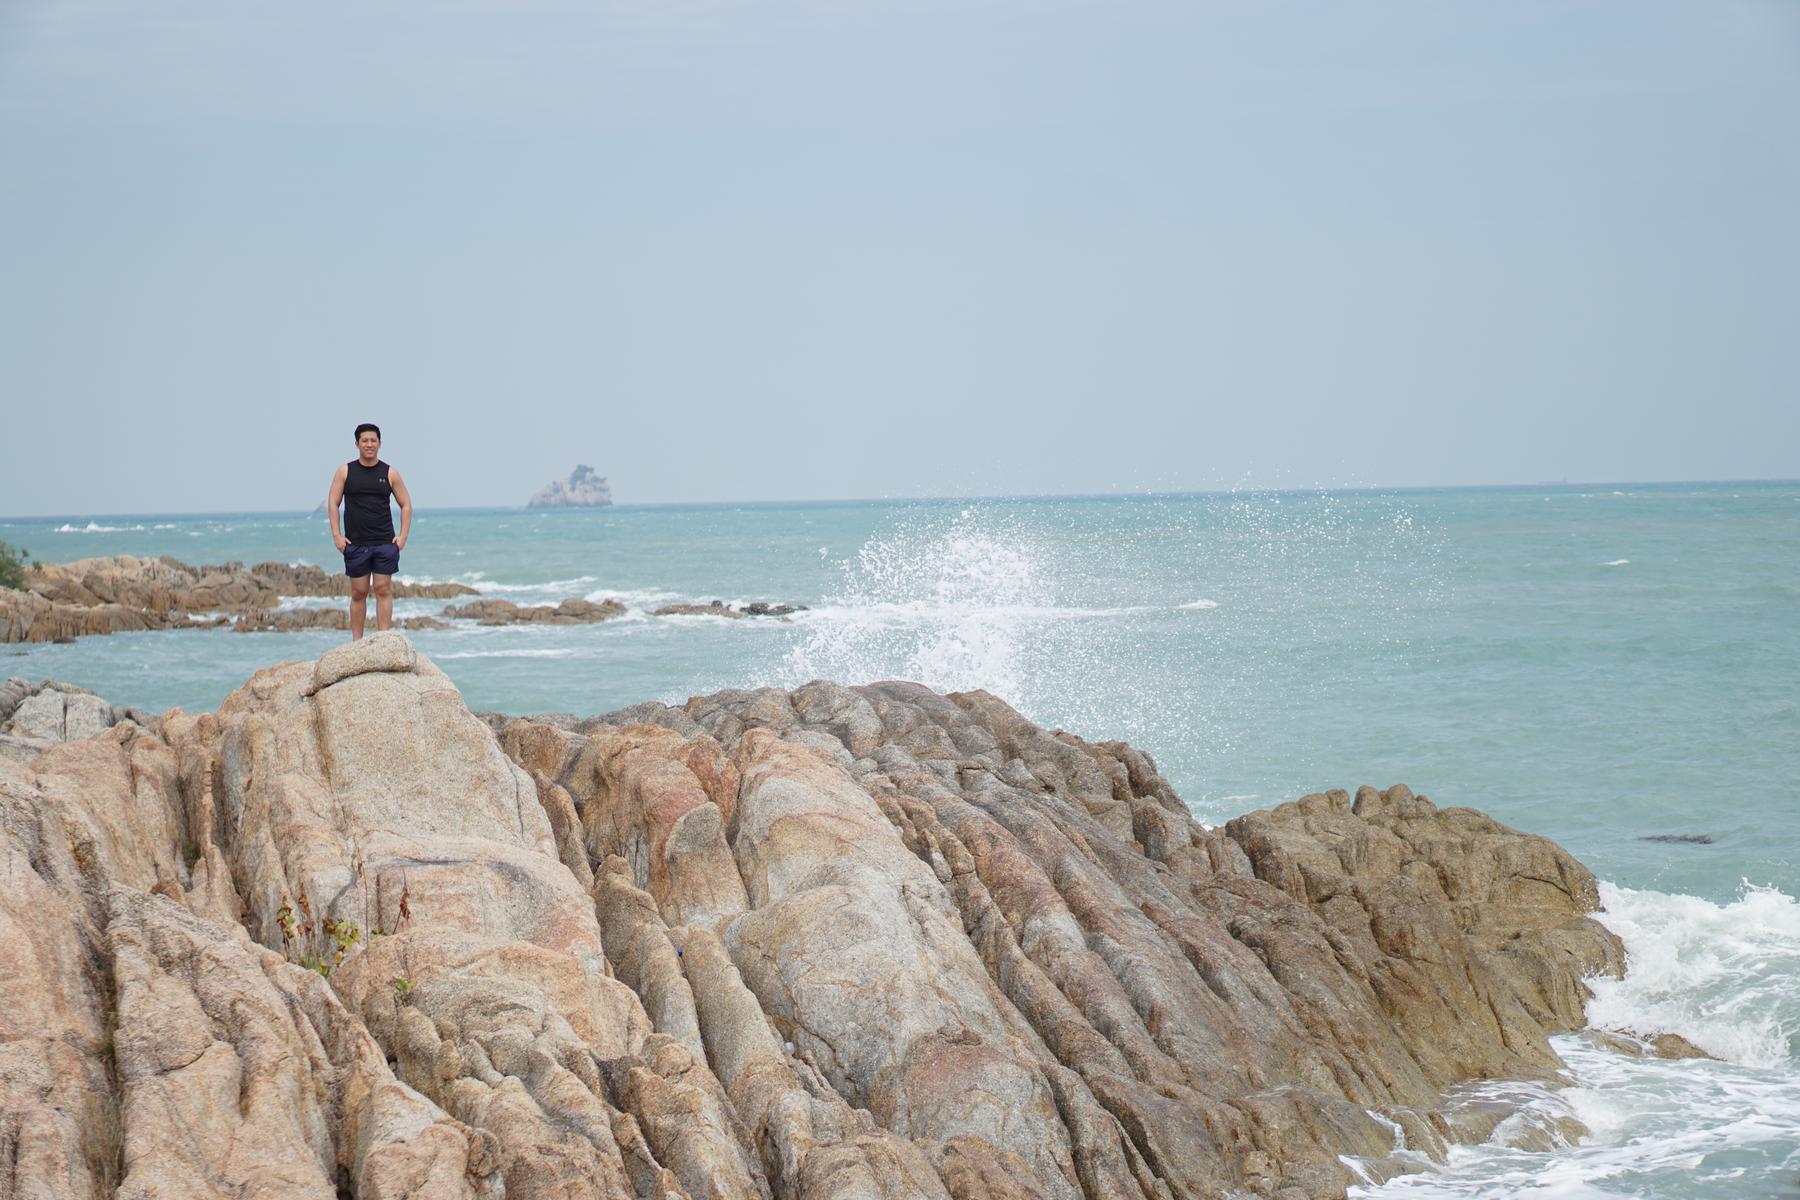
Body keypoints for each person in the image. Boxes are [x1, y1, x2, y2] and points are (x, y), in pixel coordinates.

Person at [326, 423, 413, 639]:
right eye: (365, 441)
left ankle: (383, 638)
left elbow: (406, 504)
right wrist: (337, 535)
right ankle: (357, 641)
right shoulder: (345, 471)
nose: (369, 444)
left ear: (380, 444)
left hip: (384, 542)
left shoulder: (389, 472)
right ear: (357, 444)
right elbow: (333, 503)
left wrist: (402, 537)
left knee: (383, 589)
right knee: (359, 592)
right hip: (356, 544)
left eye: (373, 440)